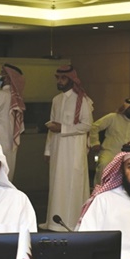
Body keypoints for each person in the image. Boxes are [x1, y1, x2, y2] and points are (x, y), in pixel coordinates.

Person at [39, 65, 93, 231]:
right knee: (57, 183)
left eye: (63, 78)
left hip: (74, 151)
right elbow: (52, 125)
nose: (59, 81)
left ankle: (72, 222)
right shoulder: (56, 100)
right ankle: (53, 222)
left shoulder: (82, 100)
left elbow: (87, 125)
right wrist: (47, 150)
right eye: (58, 78)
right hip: (57, 149)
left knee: (72, 184)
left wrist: (62, 128)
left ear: (71, 80)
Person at [90, 98, 130, 186]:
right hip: (109, 152)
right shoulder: (113, 117)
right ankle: (99, 191)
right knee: (104, 165)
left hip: (128, 154)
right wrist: (95, 143)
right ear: (125, 108)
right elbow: (94, 127)